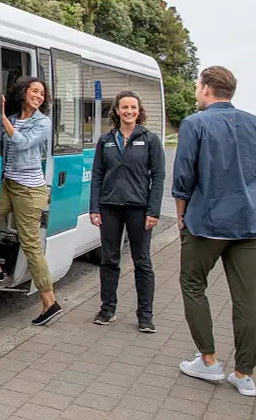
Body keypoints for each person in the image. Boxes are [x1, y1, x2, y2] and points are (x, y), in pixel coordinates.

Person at [172, 66, 256, 397]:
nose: (196, 91)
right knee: (246, 298)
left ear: (207, 89)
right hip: (249, 223)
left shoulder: (195, 123)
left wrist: (181, 219)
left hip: (206, 224)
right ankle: (244, 374)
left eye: (197, 86)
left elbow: (183, 180)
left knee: (193, 284)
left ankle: (208, 361)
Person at [0, 76, 63, 326]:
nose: (39, 96)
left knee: (30, 245)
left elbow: (22, 144)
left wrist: (1, 118)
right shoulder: (11, 119)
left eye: (42, 93)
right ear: (23, 93)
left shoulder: (43, 122)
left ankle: (50, 302)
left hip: (30, 191)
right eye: (35, 91)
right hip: (8, 185)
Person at [89, 90, 165, 332]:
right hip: (110, 208)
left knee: (142, 261)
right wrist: (94, 207)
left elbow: (159, 177)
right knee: (109, 260)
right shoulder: (106, 140)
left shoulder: (150, 140)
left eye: (133, 107)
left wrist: (153, 211)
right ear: (117, 111)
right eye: (124, 107)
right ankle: (107, 309)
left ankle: (145, 315)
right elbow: (97, 176)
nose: (129, 111)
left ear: (139, 111)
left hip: (140, 210)